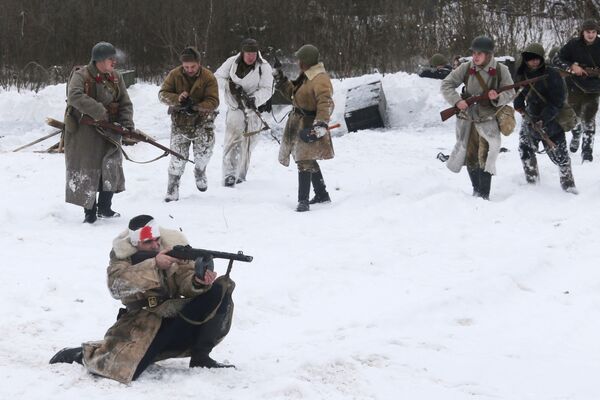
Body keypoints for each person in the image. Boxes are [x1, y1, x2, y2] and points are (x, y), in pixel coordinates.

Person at [49, 215, 236, 383]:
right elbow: (117, 286)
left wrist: (197, 280)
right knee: (125, 370)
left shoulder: (173, 250)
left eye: (157, 240)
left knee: (220, 290)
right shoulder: (122, 257)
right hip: (142, 323)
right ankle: (82, 353)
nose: (155, 245)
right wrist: (154, 265)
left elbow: (184, 283)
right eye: (148, 242)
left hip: (174, 316)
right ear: (135, 244)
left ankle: (201, 357)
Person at [64, 41, 134, 223]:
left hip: (110, 130)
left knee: (110, 168)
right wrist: (100, 112)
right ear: (99, 60)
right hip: (85, 131)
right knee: (88, 169)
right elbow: (75, 96)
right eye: (111, 59)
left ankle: (105, 208)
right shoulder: (81, 76)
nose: (114, 63)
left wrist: (127, 124)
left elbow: (125, 102)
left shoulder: (116, 77)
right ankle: (90, 212)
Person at [441, 36, 515, 200]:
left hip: (489, 116)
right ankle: (476, 190)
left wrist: (496, 97)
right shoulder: (466, 67)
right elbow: (446, 84)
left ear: (489, 55)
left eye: (480, 54)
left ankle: (484, 195)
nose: (475, 57)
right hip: (467, 117)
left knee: (486, 154)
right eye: (474, 53)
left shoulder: (501, 69)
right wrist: (457, 101)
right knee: (470, 154)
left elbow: (510, 93)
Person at [273, 44, 334, 212]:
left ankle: (303, 201)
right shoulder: (307, 75)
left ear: (306, 61)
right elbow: (293, 92)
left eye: (300, 59)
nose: (298, 62)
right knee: (308, 158)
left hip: (310, 123)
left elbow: (325, 101)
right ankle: (322, 194)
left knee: (304, 161)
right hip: (298, 121)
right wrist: (280, 78)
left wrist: (321, 123)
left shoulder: (320, 78)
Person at [514, 43, 577, 193]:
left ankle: (569, 187)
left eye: (537, 58)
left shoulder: (552, 74)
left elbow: (558, 101)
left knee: (560, 157)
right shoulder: (522, 73)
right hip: (530, 117)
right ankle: (532, 183)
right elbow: (521, 90)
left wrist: (543, 119)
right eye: (530, 59)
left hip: (552, 119)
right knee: (525, 148)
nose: (534, 62)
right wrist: (518, 101)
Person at [159, 47, 219, 201]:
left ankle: (200, 171)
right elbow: (162, 94)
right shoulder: (174, 74)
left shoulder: (208, 77)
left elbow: (214, 101)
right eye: (186, 67)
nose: (189, 69)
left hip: (203, 122)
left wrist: (197, 106)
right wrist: (177, 98)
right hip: (180, 122)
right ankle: (172, 186)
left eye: (193, 66)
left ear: (199, 63)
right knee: (177, 157)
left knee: (203, 154)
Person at [214, 38, 273, 187]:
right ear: (242, 52)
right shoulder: (232, 62)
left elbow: (268, 88)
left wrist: (255, 99)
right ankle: (229, 175)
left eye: (253, 54)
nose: (250, 57)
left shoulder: (263, 66)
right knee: (233, 140)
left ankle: (240, 175)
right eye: (248, 53)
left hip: (253, 109)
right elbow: (217, 77)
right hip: (235, 107)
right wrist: (230, 86)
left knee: (248, 143)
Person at [554, 19, 600, 162]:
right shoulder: (573, 44)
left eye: (593, 32)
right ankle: (576, 133)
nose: (591, 35)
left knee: (589, 118)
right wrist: (572, 67)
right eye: (588, 32)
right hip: (574, 85)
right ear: (583, 32)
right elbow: (557, 59)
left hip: (594, 87)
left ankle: (587, 153)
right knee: (574, 116)